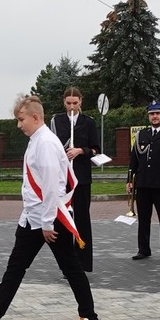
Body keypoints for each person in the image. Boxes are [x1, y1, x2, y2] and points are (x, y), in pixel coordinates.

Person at [0, 95, 104, 320]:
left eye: (21, 119)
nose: (18, 125)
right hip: (34, 218)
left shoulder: (45, 142)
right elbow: (34, 184)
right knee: (16, 267)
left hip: (51, 220)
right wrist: (28, 217)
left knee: (71, 268)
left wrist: (47, 223)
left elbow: (51, 187)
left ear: (35, 117)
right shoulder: (37, 140)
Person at [50, 86, 100, 272]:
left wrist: (80, 151)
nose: (72, 107)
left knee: (82, 219)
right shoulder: (57, 121)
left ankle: (83, 263)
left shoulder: (88, 122)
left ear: (81, 102)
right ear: (64, 102)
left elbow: (96, 149)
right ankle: (67, 264)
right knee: (63, 220)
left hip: (82, 178)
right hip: (62, 178)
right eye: (69, 103)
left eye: (75, 103)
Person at [126, 100, 160, 261]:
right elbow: (134, 159)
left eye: (158, 113)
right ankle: (143, 249)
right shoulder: (141, 135)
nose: (155, 116)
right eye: (152, 114)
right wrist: (129, 180)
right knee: (143, 219)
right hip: (143, 183)